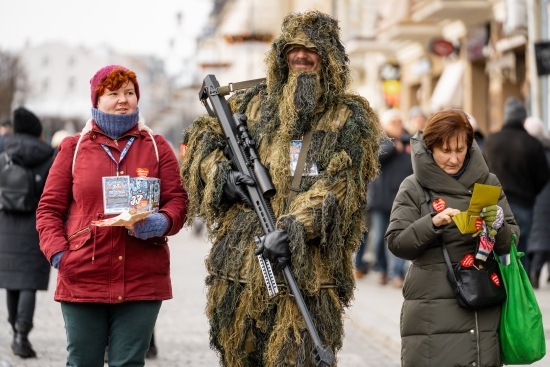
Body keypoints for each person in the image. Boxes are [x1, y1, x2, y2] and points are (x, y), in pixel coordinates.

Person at [180, 10, 382, 366]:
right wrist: (223, 178)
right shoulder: (253, 102)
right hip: (240, 272)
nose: (301, 55)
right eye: (294, 47)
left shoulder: (348, 118)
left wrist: (291, 230)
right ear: (281, 53)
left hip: (307, 274)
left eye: (312, 48)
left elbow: (339, 186)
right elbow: (201, 142)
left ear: (329, 56)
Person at [36, 64, 188, 366]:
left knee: (129, 363)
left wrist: (161, 222)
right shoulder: (73, 148)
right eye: (114, 93)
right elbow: (49, 209)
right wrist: (59, 256)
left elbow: (178, 202)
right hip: (82, 274)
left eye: (129, 93)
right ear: (96, 100)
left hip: (142, 276)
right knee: (83, 360)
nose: (123, 100)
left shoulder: (157, 148)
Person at [386, 109, 519, 366]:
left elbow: (510, 243)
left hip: (482, 299)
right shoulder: (414, 187)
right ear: (430, 147)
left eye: (460, 150)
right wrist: (432, 222)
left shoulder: (488, 182)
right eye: (445, 151)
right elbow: (397, 243)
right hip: (432, 306)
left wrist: (498, 225)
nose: (454, 159)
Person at [0, 107, 54, 358]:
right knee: (28, 283)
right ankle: (22, 335)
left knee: (11, 281)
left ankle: (14, 330)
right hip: (35, 224)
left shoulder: (3, 151)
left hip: (5, 223)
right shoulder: (48, 155)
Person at [483, 97, 550, 269]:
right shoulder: (532, 143)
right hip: (524, 202)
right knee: (521, 247)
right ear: (523, 118)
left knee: (497, 245)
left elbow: (483, 172)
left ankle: (501, 284)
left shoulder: (491, 141)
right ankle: (520, 286)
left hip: (495, 202)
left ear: (506, 116)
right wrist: (531, 192)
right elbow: (543, 175)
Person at [366, 108, 412, 287]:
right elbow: (375, 159)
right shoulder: (380, 140)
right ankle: (383, 269)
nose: (398, 126)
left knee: (398, 237)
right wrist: (393, 147)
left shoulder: (409, 141)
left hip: (401, 198)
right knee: (379, 238)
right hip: (380, 199)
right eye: (394, 122)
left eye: (400, 122)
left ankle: (396, 274)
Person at [523, 116, 550, 288]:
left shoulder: (529, 151)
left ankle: (534, 271)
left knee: (536, 237)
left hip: (534, 199)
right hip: (543, 198)